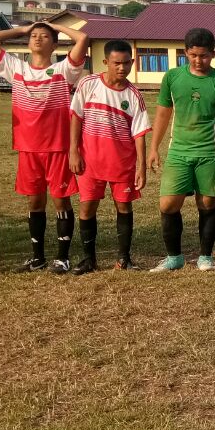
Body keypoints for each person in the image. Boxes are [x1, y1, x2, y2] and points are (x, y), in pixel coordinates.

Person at [0, 21, 88, 274]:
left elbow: (82, 38)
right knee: (35, 202)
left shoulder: (63, 70)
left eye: (45, 36)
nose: (38, 39)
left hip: (58, 148)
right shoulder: (16, 68)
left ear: (55, 44)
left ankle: (62, 258)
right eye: (34, 36)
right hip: (28, 149)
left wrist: (54, 25)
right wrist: (21, 30)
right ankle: (37, 258)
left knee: (61, 202)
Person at [147, 28, 215, 272]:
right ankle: (174, 257)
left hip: (211, 153)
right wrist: (153, 147)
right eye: (193, 55)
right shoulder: (172, 78)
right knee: (168, 204)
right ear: (185, 52)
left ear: (214, 54)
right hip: (179, 151)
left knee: (207, 203)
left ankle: (205, 257)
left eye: (204, 56)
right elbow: (163, 114)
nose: (199, 60)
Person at [67, 40, 151, 273]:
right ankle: (89, 259)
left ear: (132, 62)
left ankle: (124, 259)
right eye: (116, 63)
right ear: (105, 62)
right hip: (90, 161)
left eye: (126, 63)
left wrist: (141, 167)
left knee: (123, 206)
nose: (122, 68)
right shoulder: (88, 84)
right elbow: (76, 118)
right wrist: (73, 151)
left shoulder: (134, 95)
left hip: (121, 163)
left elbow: (139, 134)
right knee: (87, 207)